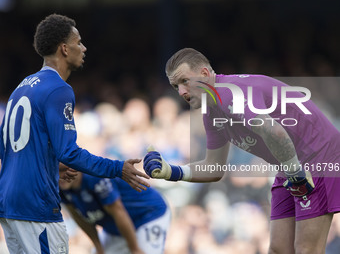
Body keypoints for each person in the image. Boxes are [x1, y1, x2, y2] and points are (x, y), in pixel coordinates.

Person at [143, 47, 340, 254]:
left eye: (185, 81)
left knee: (307, 250)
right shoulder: (212, 112)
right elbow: (214, 168)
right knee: (279, 249)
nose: (182, 92)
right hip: (291, 163)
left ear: (204, 74)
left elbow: (275, 132)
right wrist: (171, 172)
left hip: (320, 156)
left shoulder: (229, 95)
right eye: (176, 86)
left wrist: (296, 175)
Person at [0, 14, 149, 254]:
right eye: (78, 42)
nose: (84, 47)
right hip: (36, 206)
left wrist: (53, 166)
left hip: (9, 204)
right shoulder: (58, 89)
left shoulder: (22, 87)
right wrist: (118, 168)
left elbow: (6, 147)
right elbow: (68, 152)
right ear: (64, 49)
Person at [59, 164, 171, 254]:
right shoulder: (59, 186)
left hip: (148, 216)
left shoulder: (95, 175)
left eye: (63, 170)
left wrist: (134, 249)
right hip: (116, 226)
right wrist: (98, 247)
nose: (60, 176)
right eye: (55, 171)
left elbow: (118, 211)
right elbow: (80, 218)